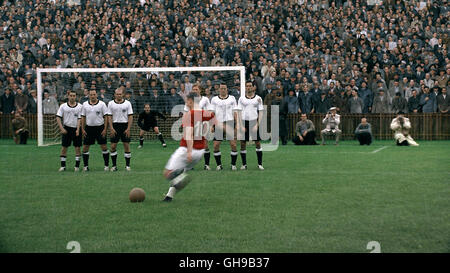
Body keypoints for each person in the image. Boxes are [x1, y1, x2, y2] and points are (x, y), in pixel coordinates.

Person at [162, 92, 216, 202]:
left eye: (187, 100)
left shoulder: (188, 115)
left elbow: (189, 135)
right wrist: (211, 127)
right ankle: (169, 196)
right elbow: (213, 116)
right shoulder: (203, 113)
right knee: (180, 173)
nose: (186, 103)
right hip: (200, 152)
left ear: (191, 101)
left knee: (168, 173)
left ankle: (181, 178)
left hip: (186, 150)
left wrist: (189, 152)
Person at [236, 81, 265, 170]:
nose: (248, 87)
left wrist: (257, 124)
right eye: (247, 86)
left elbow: (261, 112)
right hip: (244, 122)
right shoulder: (241, 99)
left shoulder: (258, 98)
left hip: (254, 122)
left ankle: (260, 164)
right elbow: (239, 112)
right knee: (243, 144)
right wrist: (240, 125)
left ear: (253, 87)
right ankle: (244, 164)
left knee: (258, 143)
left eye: (250, 86)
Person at [209, 83, 238, 170]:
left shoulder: (232, 98)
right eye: (221, 88)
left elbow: (235, 111)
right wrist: (211, 125)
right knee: (216, 145)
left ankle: (233, 165)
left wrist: (237, 124)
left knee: (233, 145)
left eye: (224, 88)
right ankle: (219, 165)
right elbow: (212, 113)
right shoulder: (214, 99)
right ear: (219, 89)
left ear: (227, 89)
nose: (223, 90)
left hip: (230, 122)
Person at [184, 84, 212, 170]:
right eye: (193, 89)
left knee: (205, 145)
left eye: (196, 89)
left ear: (200, 90)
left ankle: (206, 165)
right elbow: (186, 112)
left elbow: (209, 111)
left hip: (203, 124)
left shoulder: (205, 99)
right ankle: (190, 165)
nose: (195, 91)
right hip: (192, 125)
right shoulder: (189, 100)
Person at [81, 90, 110, 172]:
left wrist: (105, 129)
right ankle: (86, 166)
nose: (92, 96)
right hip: (89, 128)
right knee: (85, 147)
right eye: (91, 95)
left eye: (94, 94)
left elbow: (106, 117)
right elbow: (83, 117)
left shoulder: (102, 104)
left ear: (96, 95)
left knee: (104, 146)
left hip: (100, 128)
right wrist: (82, 129)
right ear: (89, 95)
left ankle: (106, 166)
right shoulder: (85, 104)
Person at [56, 90, 83, 171]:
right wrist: (62, 128)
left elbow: (79, 119)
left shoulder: (80, 106)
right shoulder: (63, 106)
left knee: (77, 148)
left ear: (76, 97)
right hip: (66, 128)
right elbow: (58, 117)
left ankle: (77, 167)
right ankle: (63, 166)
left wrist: (78, 130)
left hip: (76, 129)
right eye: (71, 95)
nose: (72, 97)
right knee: (64, 147)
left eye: (74, 96)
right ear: (68, 96)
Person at [108, 88, 134, 171]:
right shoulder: (111, 103)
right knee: (113, 146)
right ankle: (114, 166)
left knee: (126, 146)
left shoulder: (127, 103)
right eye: (117, 94)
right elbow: (109, 116)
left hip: (124, 126)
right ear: (115, 95)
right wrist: (111, 128)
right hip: (115, 126)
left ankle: (127, 166)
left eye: (120, 94)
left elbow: (130, 116)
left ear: (123, 94)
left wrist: (128, 128)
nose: (119, 95)